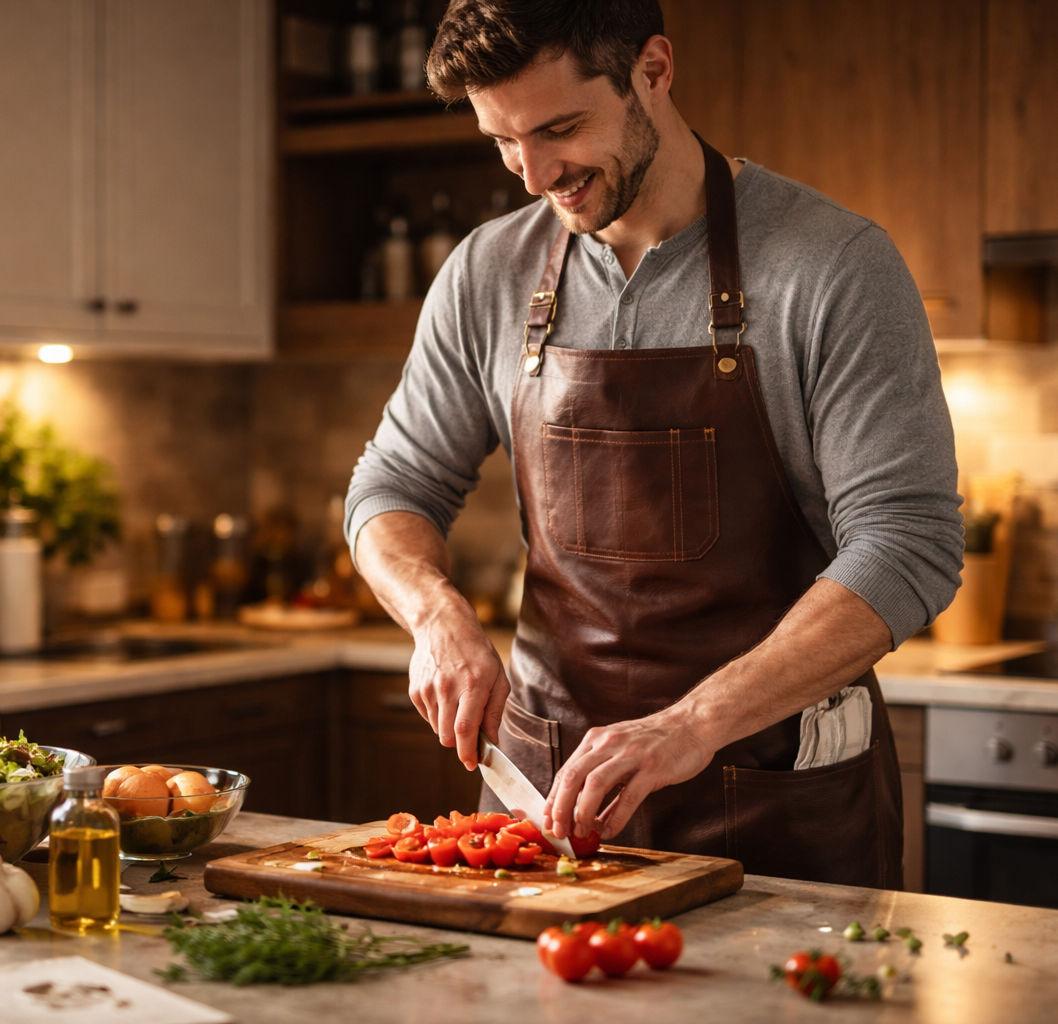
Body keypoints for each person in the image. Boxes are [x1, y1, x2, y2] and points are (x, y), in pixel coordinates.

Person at [344, 0, 962, 887]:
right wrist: (434, 616)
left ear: (654, 71)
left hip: (778, 786)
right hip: (548, 795)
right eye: (504, 141)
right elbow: (393, 485)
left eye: (560, 128)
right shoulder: (487, 271)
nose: (535, 175)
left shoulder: (835, 264)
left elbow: (909, 544)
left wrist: (693, 724)